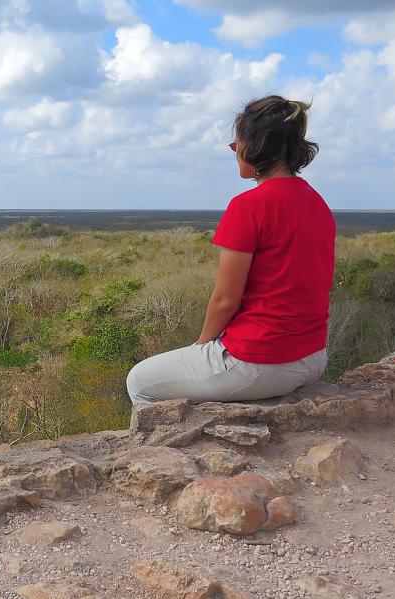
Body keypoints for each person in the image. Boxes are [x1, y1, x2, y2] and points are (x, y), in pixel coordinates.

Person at [126, 95, 335, 405]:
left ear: (255, 144)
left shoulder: (248, 207)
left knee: (140, 381)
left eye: (237, 142)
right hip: (312, 358)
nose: (234, 150)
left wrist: (202, 347)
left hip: (260, 362)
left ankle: (155, 451)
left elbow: (225, 300)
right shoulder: (317, 203)